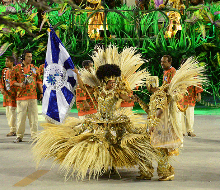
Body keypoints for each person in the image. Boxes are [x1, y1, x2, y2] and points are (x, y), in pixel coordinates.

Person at [32, 45, 158, 180]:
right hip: (98, 120)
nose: (113, 84)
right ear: (104, 81)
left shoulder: (116, 92)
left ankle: (115, 164)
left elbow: (125, 97)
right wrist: (77, 75)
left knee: (116, 142)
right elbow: (82, 87)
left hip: (113, 120)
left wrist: (132, 98)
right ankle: (103, 164)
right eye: (110, 82)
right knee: (95, 140)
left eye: (114, 82)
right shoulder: (98, 90)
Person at [10, 50, 43, 143]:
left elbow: (39, 81)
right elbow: (12, 82)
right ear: (23, 58)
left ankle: (35, 136)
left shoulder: (34, 68)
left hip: (33, 97)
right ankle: (19, 136)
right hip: (21, 97)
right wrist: (20, 84)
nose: (30, 58)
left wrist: (41, 92)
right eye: (28, 56)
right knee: (21, 118)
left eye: (31, 56)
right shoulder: (16, 69)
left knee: (34, 118)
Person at [0, 56, 17, 136]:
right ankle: (12, 129)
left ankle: (13, 130)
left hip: (14, 95)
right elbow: (1, 82)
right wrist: (1, 89)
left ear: (12, 62)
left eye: (7, 61)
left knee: (12, 112)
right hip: (6, 95)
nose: (6, 62)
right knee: (8, 113)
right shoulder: (4, 71)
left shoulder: (16, 71)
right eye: (5, 61)